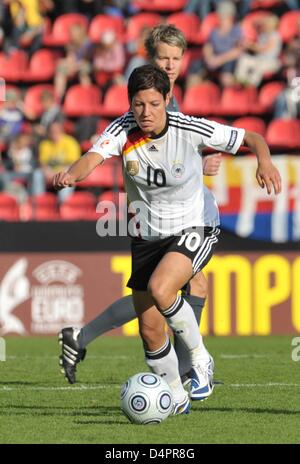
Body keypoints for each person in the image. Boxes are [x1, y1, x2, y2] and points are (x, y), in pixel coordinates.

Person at [54, 64, 281, 413]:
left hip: (195, 227)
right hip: (148, 236)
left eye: (153, 104)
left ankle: (201, 358)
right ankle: (175, 397)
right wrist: (71, 174)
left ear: (167, 100)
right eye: (138, 104)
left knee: (163, 290)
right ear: (130, 103)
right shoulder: (122, 129)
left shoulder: (188, 128)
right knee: (150, 329)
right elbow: (93, 158)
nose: (145, 112)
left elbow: (253, 138)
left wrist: (264, 162)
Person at [58, 24, 222, 387]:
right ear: (152, 58)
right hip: (157, 212)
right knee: (162, 293)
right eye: (163, 57)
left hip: (182, 209)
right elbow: (145, 147)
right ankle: (190, 368)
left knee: (177, 289)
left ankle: (184, 370)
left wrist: (203, 160)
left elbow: (183, 146)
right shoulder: (150, 96)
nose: (169, 64)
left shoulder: (170, 97)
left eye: (176, 58)